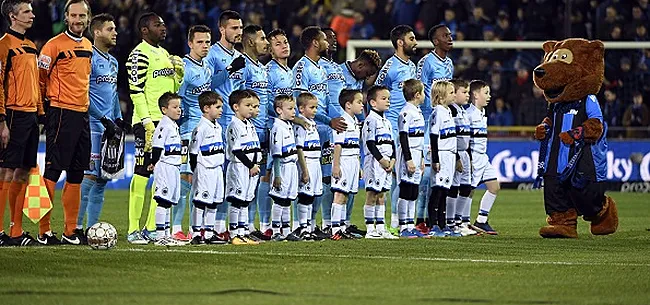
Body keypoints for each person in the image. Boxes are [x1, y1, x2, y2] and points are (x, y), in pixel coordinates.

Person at [38, 0, 93, 245]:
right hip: (60, 112)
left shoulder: (89, 45)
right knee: (52, 170)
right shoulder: (52, 46)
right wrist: (42, 111)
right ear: (66, 17)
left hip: (82, 114)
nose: (78, 20)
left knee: (76, 173)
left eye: (82, 15)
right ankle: (43, 231)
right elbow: (39, 80)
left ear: (88, 18)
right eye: (74, 15)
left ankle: (70, 231)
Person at [126, 12, 183, 244]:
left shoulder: (164, 53)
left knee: (160, 177)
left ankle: (151, 227)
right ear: (144, 30)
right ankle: (132, 230)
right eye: (157, 25)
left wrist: (179, 75)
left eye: (163, 24)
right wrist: (147, 123)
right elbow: (135, 91)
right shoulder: (138, 54)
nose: (163, 27)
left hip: (166, 123)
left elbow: (172, 90)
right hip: (147, 122)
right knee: (141, 174)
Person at [292, 26, 346, 240]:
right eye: (324, 39)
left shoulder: (322, 68)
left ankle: (314, 225)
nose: (327, 42)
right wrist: (327, 121)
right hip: (308, 128)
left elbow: (325, 102)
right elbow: (300, 103)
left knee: (322, 180)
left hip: (324, 129)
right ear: (315, 43)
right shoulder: (301, 68)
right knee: (306, 180)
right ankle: (300, 225)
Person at [76, 13, 124, 232]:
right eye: (110, 29)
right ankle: (75, 228)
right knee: (89, 177)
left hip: (109, 128)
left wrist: (118, 119)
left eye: (114, 29)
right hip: (92, 126)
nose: (115, 33)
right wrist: (103, 118)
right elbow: (83, 95)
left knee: (103, 179)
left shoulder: (113, 62)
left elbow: (113, 95)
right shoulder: (89, 57)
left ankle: (91, 229)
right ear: (96, 32)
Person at [0, 0, 42, 246]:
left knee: (24, 171)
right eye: (26, 11)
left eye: (32, 11)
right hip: (12, 114)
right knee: (5, 170)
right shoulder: (4, 45)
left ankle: (15, 232)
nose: (32, 15)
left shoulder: (30, 45)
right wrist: (2, 120)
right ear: (12, 15)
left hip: (30, 116)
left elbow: (35, 84)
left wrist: (40, 112)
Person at [374, 24, 417, 236]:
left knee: (404, 176)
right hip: (391, 128)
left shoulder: (412, 66)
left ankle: (402, 221)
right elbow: (376, 94)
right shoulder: (390, 67)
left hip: (408, 126)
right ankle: (391, 222)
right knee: (390, 176)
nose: (415, 42)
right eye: (411, 38)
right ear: (400, 42)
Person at [205, 10, 244, 240]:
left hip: (238, 123)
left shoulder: (239, 56)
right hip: (219, 123)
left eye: (240, 28)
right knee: (218, 176)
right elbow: (209, 84)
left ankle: (231, 226)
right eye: (234, 28)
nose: (238, 32)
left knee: (235, 176)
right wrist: (230, 69)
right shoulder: (212, 54)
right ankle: (214, 227)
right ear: (222, 29)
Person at [174, 25, 213, 242]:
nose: (204, 45)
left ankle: (192, 228)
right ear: (190, 43)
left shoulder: (206, 65)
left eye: (207, 41)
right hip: (187, 131)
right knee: (185, 179)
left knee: (198, 181)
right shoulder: (184, 67)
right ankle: (175, 226)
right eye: (200, 42)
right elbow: (177, 99)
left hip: (203, 132)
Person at [415, 24, 454, 233]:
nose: (450, 38)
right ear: (435, 41)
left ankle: (435, 221)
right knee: (426, 177)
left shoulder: (449, 63)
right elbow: (419, 92)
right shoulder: (426, 62)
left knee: (438, 180)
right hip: (427, 124)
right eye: (445, 35)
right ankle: (420, 220)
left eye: (450, 34)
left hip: (442, 120)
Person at [254, 28, 292, 239]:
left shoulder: (290, 70)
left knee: (282, 176)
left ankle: (283, 224)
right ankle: (267, 223)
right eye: (277, 43)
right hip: (271, 129)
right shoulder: (268, 71)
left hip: (287, 129)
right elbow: (266, 103)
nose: (284, 45)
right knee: (267, 177)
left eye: (285, 41)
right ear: (270, 49)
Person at [240, 24, 271, 240]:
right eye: (262, 39)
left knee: (255, 180)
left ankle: (250, 226)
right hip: (248, 131)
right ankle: (234, 227)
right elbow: (240, 99)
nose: (266, 43)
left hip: (262, 131)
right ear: (251, 42)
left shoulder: (260, 67)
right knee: (242, 181)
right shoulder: (244, 65)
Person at [188, 91, 226, 245]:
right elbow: (193, 151)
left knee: (214, 201)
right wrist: (195, 170)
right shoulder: (200, 128)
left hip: (217, 169)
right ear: (206, 108)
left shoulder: (218, 127)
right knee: (200, 201)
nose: (221, 110)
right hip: (205, 170)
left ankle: (209, 233)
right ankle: (196, 233)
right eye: (217, 107)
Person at [225, 89, 261, 245]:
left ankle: (243, 232)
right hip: (240, 167)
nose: (251, 109)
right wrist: (250, 165)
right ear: (236, 107)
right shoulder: (234, 125)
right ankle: (234, 234)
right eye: (248, 105)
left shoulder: (249, 124)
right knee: (237, 200)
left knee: (246, 201)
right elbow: (236, 150)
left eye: (253, 106)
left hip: (251, 169)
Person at [362, 85, 397, 240]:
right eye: (384, 98)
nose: (388, 101)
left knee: (382, 194)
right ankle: (370, 228)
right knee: (372, 194)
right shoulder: (370, 120)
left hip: (387, 164)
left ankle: (381, 228)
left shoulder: (387, 122)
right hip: (374, 162)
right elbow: (370, 143)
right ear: (373, 103)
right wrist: (382, 160)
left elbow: (392, 143)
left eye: (388, 98)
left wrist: (393, 160)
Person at [395, 79, 427, 238]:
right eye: (423, 92)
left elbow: (419, 139)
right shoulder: (406, 113)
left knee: (414, 191)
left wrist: (420, 158)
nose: (425, 95)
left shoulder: (417, 111)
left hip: (416, 154)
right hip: (408, 155)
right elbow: (403, 137)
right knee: (406, 190)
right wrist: (408, 159)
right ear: (417, 95)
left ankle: (410, 224)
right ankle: (403, 227)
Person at [151, 92, 184, 247]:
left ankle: (165, 234)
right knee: (163, 201)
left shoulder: (173, 125)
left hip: (174, 167)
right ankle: (159, 236)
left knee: (168, 201)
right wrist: (153, 162)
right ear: (164, 110)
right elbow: (157, 147)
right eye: (175, 107)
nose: (179, 110)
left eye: (179, 107)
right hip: (165, 166)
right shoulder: (163, 126)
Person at [466, 80, 499, 235]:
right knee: (468, 191)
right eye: (486, 93)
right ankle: (462, 222)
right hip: (473, 158)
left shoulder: (482, 113)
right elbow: (465, 140)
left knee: (494, 187)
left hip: (483, 158)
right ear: (475, 95)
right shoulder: (469, 115)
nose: (489, 96)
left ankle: (481, 221)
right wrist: (469, 159)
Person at [330, 89, 364, 240]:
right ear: (348, 105)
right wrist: (336, 166)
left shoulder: (355, 122)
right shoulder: (341, 122)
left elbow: (355, 146)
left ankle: (342, 227)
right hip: (343, 161)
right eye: (359, 102)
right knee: (339, 194)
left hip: (353, 161)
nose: (362, 105)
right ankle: (335, 229)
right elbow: (338, 145)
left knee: (346, 196)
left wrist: (359, 166)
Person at [268, 95, 301, 242]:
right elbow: (276, 153)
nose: (294, 111)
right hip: (282, 167)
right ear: (279, 110)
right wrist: (277, 175)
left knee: (287, 200)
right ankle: (275, 231)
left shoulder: (288, 125)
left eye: (294, 108)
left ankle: (287, 231)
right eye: (290, 108)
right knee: (279, 200)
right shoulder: (277, 127)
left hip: (292, 167)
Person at [427, 81, 458, 237]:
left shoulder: (448, 111)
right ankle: (433, 225)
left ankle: (443, 223)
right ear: (441, 96)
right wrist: (436, 159)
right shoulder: (437, 112)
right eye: (451, 92)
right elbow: (433, 137)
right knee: (437, 190)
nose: (454, 95)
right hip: (442, 154)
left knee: (445, 190)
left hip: (450, 155)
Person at [448, 79, 478, 236]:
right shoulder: (451, 111)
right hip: (455, 153)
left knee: (466, 187)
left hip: (465, 153)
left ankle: (459, 222)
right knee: (453, 188)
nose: (467, 95)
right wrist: (458, 157)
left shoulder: (463, 111)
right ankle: (451, 222)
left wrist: (469, 158)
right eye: (464, 92)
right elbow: (452, 137)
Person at [293, 93, 322, 240]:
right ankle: (302, 227)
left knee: (312, 196)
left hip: (316, 162)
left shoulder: (312, 123)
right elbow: (299, 149)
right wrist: (304, 170)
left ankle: (309, 228)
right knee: (305, 196)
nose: (315, 110)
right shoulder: (301, 125)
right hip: (308, 162)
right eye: (312, 107)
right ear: (301, 109)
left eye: (316, 107)